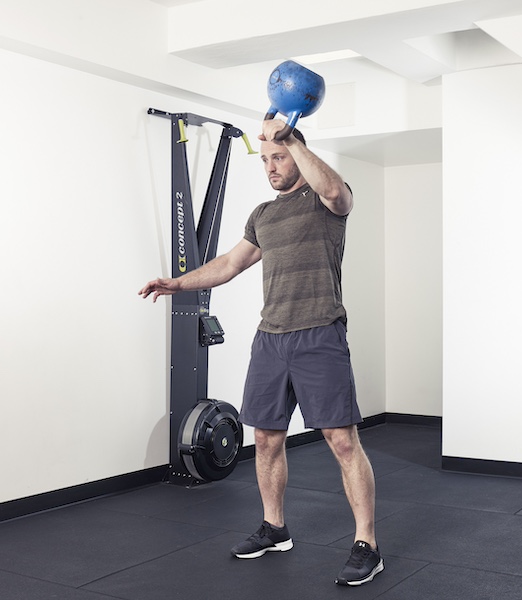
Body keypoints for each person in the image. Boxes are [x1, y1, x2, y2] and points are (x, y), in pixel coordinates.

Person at [139, 119, 383, 586]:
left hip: (320, 334)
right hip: (270, 339)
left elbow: (337, 192)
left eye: (280, 156)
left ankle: (367, 544)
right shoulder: (263, 215)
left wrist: (288, 134)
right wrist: (177, 283)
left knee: (343, 441)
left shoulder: (326, 200)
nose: (271, 167)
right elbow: (230, 264)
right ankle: (275, 528)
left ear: (298, 152)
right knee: (267, 439)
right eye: (266, 159)